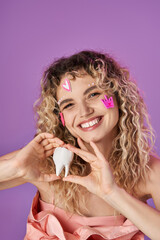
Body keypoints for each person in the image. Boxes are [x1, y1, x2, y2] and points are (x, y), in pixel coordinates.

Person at [1, 50, 160, 239]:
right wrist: (16, 167)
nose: (84, 112)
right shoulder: (47, 162)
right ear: (61, 118)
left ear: (119, 97)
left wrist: (112, 193)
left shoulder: (149, 172)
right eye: (68, 105)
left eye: (93, 94)